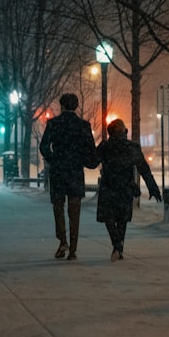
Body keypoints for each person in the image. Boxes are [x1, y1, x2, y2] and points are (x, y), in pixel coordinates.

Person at [39, 92, 99, 260]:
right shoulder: (83, 126)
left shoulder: (54, 124)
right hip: (75, 171)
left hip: (59, 171)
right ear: (76, 106)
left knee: (58, 207)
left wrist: (54, 159)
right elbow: (90, 151)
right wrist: (86, 160)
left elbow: (44, 147)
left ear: (62, 106)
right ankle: (73, 248)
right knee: (75, 211)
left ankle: (62, 239)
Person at [96, 119, 162, 262]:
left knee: (109, 218)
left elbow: (92, 161)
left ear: (110, 132)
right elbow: (144, 169)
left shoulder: (105, 147)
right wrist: (153, 188)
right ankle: (119, 247)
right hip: (125, 187)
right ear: (125, 132)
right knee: (122, 219)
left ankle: (116, 244)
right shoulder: (132, 147)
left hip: (109, 186)